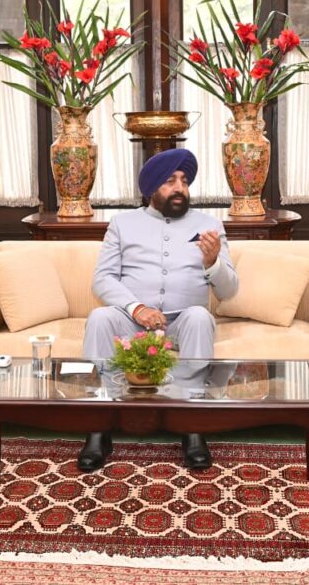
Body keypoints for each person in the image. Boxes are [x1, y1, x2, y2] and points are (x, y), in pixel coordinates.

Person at [80, 148, 239, 471]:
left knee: (200, 317)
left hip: (182, 321)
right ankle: (98, 425)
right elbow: (103, 278)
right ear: (152, 188)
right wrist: (136, 308)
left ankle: (191, 424)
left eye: (184, 181)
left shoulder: (209, 225)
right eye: (170, 181)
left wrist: (212, 263)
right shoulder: (122, 224)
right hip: (132, 320)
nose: (180, 188)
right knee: (100, 318)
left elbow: (229, 291)